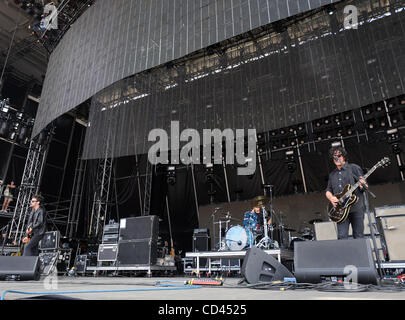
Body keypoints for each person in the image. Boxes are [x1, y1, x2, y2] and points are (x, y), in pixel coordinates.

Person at [325, 146, 368, 240]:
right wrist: (331, 198)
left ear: (344, 156)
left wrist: (362, 184)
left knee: (359, 236)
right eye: (334, 156)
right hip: (340, 210)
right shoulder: (332, 174)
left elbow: (365, 186)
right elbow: (328, 190)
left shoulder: (354, 168)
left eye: (339, 156)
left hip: (356, 208)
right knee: (342, 237)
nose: (337, 158)